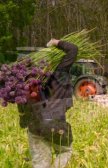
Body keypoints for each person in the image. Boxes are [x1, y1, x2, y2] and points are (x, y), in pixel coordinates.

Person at [18, 39, 78, 168]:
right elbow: (73, 49)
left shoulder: (24, 85)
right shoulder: (59, 74)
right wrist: (57, 42)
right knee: (65, 151)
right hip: (56, 125)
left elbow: (22, 115)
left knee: (40, 163)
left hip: (35, 127)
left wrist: (25, 120)